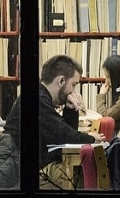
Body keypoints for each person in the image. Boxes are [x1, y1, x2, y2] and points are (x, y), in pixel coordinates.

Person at [36, 55, 106, 189]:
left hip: (39, 165)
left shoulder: (42, 97)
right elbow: (65, 135)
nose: (73, 91)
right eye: (73, 85)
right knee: (75, 179)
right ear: (61, 80)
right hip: (31, 173)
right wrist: (92, 138)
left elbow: (64, 133)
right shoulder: (39, 101)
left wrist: (70, 109)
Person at [95, 54, 120, 121]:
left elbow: (105, 117)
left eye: (108, 77)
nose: (106, 81)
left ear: (117, 77)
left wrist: (101, 95)